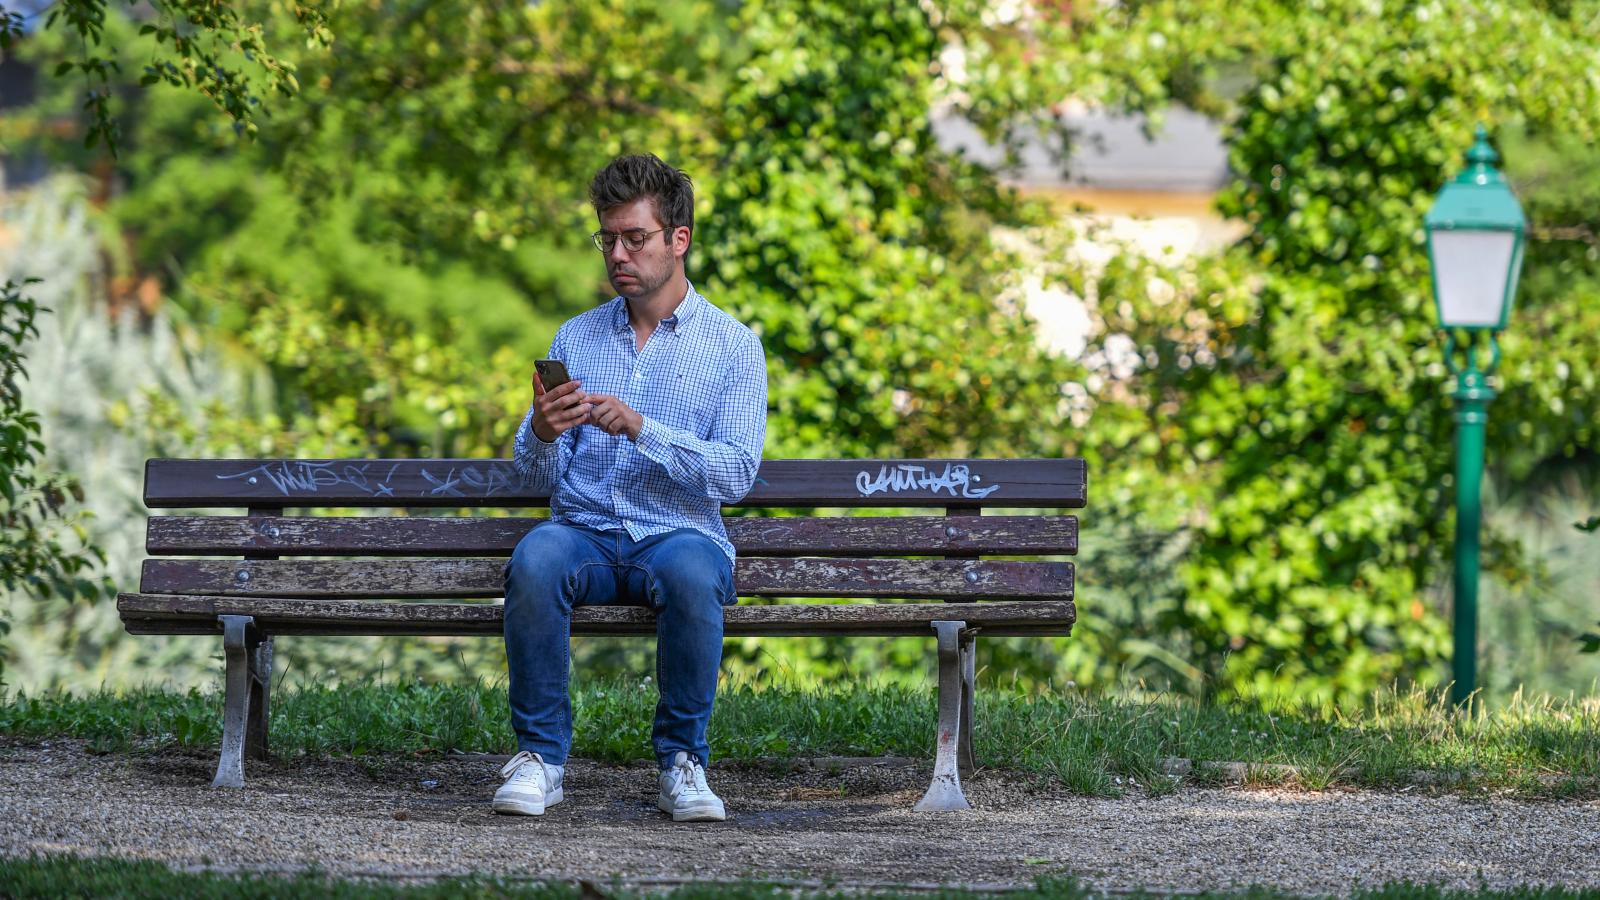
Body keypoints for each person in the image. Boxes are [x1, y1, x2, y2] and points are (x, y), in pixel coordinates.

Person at [496, 154, 768, 822]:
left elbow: (736, 473)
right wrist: (542, 431)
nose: (617, 254)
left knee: (694, 573)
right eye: (608, 238)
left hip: (678, 535)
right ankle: (540, 759)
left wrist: (644, 429)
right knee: (535, 558)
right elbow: (535, 478)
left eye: (635, 238)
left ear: (679, 240)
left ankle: (682, 763)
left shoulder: (734, 347)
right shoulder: (576, 336)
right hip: (585, 533)